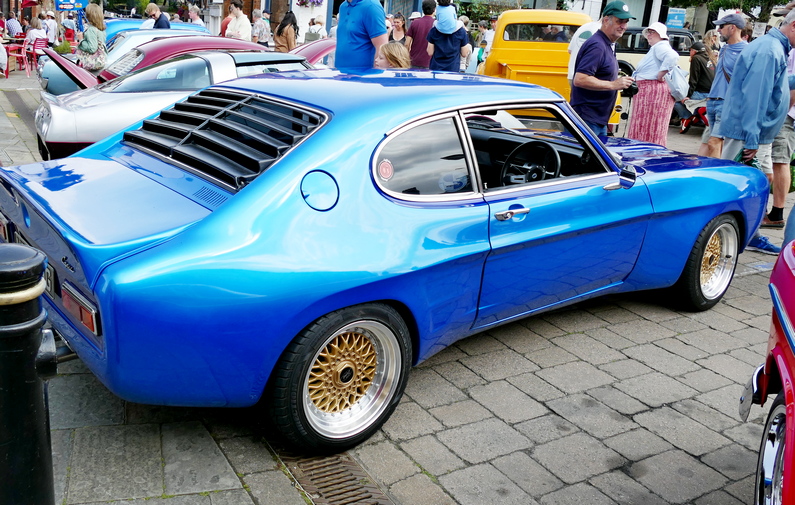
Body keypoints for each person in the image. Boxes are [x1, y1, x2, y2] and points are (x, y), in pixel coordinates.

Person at [718, 10, 795, 255]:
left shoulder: (772, 47)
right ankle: (725, 234)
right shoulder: (769, 49)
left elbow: (772, 85)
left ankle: (749, 232)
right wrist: (752, 137)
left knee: (758, 181)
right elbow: (755, 96)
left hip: (754, 132)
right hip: (748, 132)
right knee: (738, 185)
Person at [570, 0, 635, 136]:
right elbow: (580, 79)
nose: (623, 26)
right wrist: (614, 84)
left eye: (626, 22)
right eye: (619, 21)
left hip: (596, 119)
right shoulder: (597, 45)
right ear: (606, 20)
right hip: (587, 119)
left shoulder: (606, 43)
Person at [700, 13, 747, 158]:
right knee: (714, 144)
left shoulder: (746, 50)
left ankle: (717, 178)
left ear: (732, 28)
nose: (718, 30)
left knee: (714, 142)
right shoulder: (725, 48)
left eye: (721, 26)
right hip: (713, 101)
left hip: (727, 103)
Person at [626, 22, 678, 146]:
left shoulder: (660, 46)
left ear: (660, 34)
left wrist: (661, 73)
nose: (649, 35)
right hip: (649, 91)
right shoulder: (658, 47)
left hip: (652, 92)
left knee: (649, 126)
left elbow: (673, 56)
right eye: (648, 32)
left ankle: (645, 152)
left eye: (652, 32)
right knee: (649, 127)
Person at [764, 47, 795, 229]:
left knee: (780, 160)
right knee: (779, 160)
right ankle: (776, 212)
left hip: (788, 115)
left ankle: (777, 213)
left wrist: (783, 110)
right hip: (789, 114)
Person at [336, 0, 388, 69]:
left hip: (363, 76)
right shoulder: (343, 6)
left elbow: (382, 47)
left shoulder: (372, 7)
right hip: (341, 74)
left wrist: (376, 76)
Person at [675, 41, 715, 127]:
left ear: (694, 51)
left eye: (690, 50)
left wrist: (688, 95)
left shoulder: (696, 58)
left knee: (676, 100)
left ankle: (688, 117)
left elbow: (694, 79)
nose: (690, 52)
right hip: (711, 93)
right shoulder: (709, 59)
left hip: (701, 93)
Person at [567, 19, 601, 86]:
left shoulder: (584, 26)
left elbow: (570, 50)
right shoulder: (603, 32)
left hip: (573, 74)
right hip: (589, 78)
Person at [76, 3, 107, 72]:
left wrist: (81, 40)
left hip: (92, 65)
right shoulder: (101, 29)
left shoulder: (91, 29)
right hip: (100, 63)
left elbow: (92, 48)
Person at [405, 0, 435, 68]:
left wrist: (406, 58)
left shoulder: (414, 23)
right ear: (434, 9)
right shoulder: (437, 24)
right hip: (430, 61)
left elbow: (407, 43)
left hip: (414, 60)